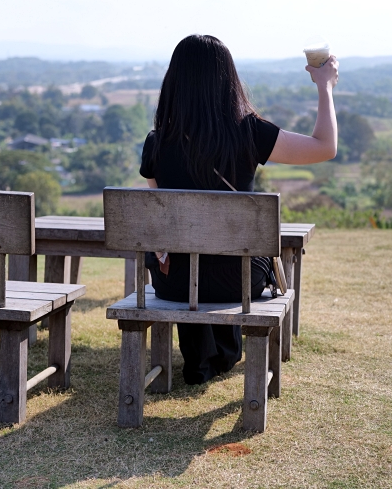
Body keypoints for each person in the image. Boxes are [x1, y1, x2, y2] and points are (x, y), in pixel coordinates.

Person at [139, 34, 339, 384]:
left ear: (174, 82)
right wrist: (325, 86)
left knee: (181, 260)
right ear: (227, 80)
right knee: (239, 261)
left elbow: (161, 231)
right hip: (238, 284)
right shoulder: (249, 132)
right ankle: (220, 355)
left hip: (175, 286)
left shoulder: (156, 143)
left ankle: (202, 358)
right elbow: (324, 147)